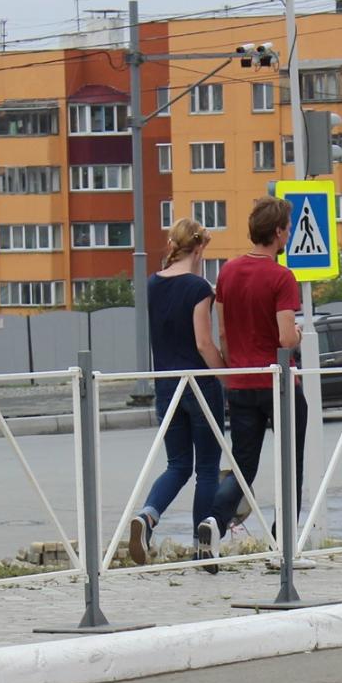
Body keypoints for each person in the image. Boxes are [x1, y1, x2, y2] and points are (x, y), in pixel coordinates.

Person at [126, 218, 229, 565]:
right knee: (208, 469)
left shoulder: (152, 284)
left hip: (166, 385)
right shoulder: (199, 288)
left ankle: (148, 517)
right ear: (198, 248)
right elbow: (203, 342)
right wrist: (225, 374)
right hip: (199, 386)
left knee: (177, 465)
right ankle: (204, 546)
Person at [210, 196, 303, 541]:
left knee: (242, 467)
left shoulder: (228, 272)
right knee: (289, 466)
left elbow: (222, 332)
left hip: (240, 383)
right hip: (277, 384)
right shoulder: (281, 277)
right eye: (288, 229)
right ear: (277, 232)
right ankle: (284, 545)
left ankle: (213, 523)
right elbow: (284, 337)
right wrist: (299, 336)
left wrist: (232, 369)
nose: (289, 234)